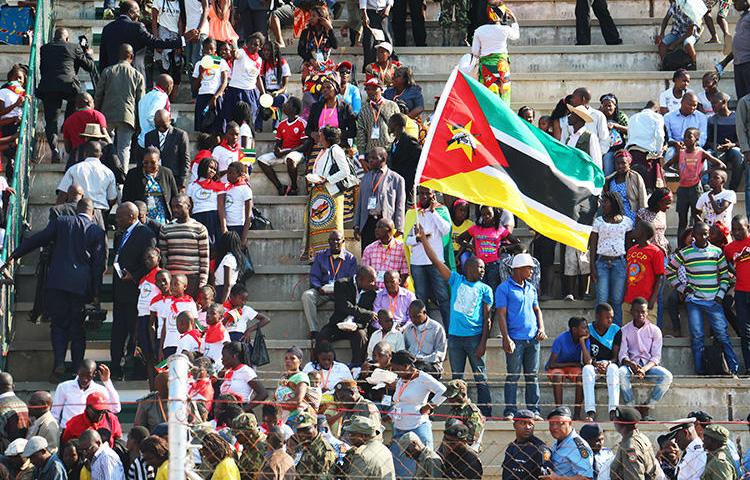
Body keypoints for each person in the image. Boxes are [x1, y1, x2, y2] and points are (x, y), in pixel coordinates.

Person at [1, 200, 107, 380]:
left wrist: (14, 255)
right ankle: (76, 370)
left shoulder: (62, 222)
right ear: (93, 213)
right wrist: (96, 294)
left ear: (77, 209)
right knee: (78, 329)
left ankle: (58, 363)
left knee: (58, 325)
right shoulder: (97, 231)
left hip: (57, 282)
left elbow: (37, 239)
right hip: (80, 285)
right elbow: (98, 266)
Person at [416, 222, 493, 416]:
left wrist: (483, 343)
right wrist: (424, 240)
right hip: (455, 338)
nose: (482, 270)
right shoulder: (456, 280)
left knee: (480, 376)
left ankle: (486, 411)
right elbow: (436, 261)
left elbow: (487, 318)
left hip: (475, 338)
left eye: (484, 268)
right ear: (468, 269)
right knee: (456, 378)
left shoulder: (485, 289)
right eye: (479, 267)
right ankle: (457, 411)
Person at [666, 222, 739, 375]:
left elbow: (725, 276)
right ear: (694, 235)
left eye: (707, 233)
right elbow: (669, 272)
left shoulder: (717, 252)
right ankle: (699, 370)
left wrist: (720, 295)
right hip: (694, 301)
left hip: (714, 301)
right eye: (701, 233)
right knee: (697, 336)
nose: (704, 236)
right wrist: (683, 288)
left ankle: (734, 368)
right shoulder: (685, 253)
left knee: (722, 335)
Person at [495, 252, 546, 420]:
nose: (531, 271)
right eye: (528, 268)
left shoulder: (531, 288)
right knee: (513, 375)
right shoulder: (504, 288)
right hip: (515, 339)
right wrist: (506, 338)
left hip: (532, 339)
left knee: (532, 376)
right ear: (518, 269)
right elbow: (501, 314)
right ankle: (510, 410)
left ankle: (534, 410)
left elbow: (536, 310)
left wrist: (542, 328)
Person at [111, 202, 157, 380]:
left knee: (136, 333)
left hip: (136, 294)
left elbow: (150, 261)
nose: (116, 219)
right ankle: (115, 368)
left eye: (120, 216)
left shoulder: (146, 234)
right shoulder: (121, 234)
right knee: (118, 333)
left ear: (131, 216)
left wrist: (135, 276)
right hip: (120, 293)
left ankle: (139, 371)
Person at [38, 28, 96, 164]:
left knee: (51, 120)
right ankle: (67, 124)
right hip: (68, 86)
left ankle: (54, 150)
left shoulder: (45, 48)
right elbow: (89, 67)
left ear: (54, 38)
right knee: (74, 102)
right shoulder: (74, 47)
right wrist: (88, 54)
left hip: (49, 86)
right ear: (67, 38)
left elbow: (43, 68)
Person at [389, 350, 447, 478]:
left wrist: (429, 406)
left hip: (417, 429)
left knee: (422, 469)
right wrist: (390, 415)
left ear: (406, 366)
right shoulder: (401, 379)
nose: (395, 373)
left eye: (397, 369)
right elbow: (400, 402)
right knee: (401, 472)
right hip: (399, 430)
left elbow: (443, 391)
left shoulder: (423, 378)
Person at [98, 0, 198, 72]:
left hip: (111, 76)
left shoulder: (107, 28)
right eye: (137, 12)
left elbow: (103, 58)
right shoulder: (137, 27)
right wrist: (182, 39)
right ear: (131, 13)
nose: (139, 15)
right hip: (134, 75)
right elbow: (156, 42)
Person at [618, 298, 673, 420]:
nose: (640, 315)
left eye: (643, 311)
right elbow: (622, 354)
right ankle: (631, 406)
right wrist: (631, 364)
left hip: (649, 366)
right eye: (637, 311)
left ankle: (647, 407)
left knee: (667, 376)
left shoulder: (655, 330)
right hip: (631, 365)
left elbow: (656, 357)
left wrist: (643, 369)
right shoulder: (624, 330)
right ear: (631, 312)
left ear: (647, 312)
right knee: (621, 373)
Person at [303, 126, 352, 260]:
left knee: (333, 227)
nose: (319, 137)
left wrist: (327, 180)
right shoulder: (323, 151)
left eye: (321, 135)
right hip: (318, 193)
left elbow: (345, 171)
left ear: (328, 138)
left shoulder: (336, 150)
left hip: (331, 193)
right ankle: (318, 257)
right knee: (317, 227)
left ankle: (335, 256)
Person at [406, 187, 453, 325]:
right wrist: (418, 239)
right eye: (422, 193)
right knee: (420, 298)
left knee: (443, 297)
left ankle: (449, 331)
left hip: (436, 262)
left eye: (428, 193)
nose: (425, 196)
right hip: (418, 263)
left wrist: (433, 212)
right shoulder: (412, 212)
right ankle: (423, 330)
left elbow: (445, 231)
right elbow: (407, 239)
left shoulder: (441, 210)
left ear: (433, 195)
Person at [664, 128, 724, 237]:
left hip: (695, 189)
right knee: (682, 221)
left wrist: (704, 172)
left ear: (696, 139)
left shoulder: (700, 152)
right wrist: (678, 172)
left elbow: (721, 165)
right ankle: (681, 246)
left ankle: (698, 243)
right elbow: (666, 166)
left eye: (689, 137)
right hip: (682, 189)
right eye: (685, 136)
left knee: (697, 218)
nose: (686, 139)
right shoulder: (680, 153)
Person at [317, 265, 377, 366]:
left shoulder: (372, 292)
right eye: (371, 281)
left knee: (361, 336)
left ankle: (356, 366)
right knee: (322, 335)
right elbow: (344, 306)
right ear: (360, 279)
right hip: (338, 324)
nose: (373, 284)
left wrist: (358, 325)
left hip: (357, 326)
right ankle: (321, 364)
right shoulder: (341, 284)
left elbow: (368, 316)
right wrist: (366, 313)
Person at [301, 230, 357, 338]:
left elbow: (352, 280)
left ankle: (343, 328)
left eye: (337, 240)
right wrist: (319, 288)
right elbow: (314, 276)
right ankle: (314, 330)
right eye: (332, 240)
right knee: (307, 296)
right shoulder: (320, 256)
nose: (335, 242)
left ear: (343, 241)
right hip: (324, 292)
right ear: (328, 242)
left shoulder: (350, 259)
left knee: (352, 296)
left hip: (341, 294)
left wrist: (340, 288)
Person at [590, 191, 634, 326]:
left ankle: (616, 331)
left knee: (617, 300)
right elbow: (593, 245)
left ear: (614, 203)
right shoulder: (598, 221)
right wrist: (592, 266)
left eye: (605, 202)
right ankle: (600, 330)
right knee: (602, 299)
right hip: (602, 262)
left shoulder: (627, 222)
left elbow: (629, 245)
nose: (603, 204)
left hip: (619, 263)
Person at [354, 148, 406, 250]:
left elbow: (400, 204)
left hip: (385, 223)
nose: (370, 161)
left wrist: (399, 227)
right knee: (368, 257)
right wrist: (356, 225)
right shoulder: (365, 178)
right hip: (368, 223)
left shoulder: (396, 179)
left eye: (374, 158)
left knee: (385, 256)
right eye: (369, 158)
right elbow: (359, 202)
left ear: (383, 159)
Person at [159, 194, 210, 296]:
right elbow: (163, 257)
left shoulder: (200, 229)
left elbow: (204, 258)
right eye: (173, 207)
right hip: (172, 279)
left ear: (188, 206)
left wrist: (202, 282)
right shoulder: (165, 229)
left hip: (192, 279)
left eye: (178, 206)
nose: (175, 210)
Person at [56, 141, 118, 226]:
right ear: (101, 154)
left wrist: (56, 215)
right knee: (98, 238)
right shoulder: (109, 173)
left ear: (85, 153)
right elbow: (112, 199)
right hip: (99, 214)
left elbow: (62, 194)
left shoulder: (74, 169)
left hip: (77, 212)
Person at [257, 96, 308, 196]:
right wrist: (277, 149)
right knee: (261, 160)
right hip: (283, 152)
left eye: (287, 103)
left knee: (290, 159)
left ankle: (294, 187)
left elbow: (304, 145)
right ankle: (280, 187)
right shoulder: (281, 124)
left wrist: (285, 152)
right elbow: (278, 143)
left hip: (297, 153)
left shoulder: (301, 123)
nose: (284, 105)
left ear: (294, 109)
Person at [470, 4, 518, 104]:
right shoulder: (505, 29)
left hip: (486, 67)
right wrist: (514, 20)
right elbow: (516, 36)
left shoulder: (479, 30)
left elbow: (475, 52)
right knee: (504, 92)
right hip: (502, 65)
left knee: (488, 94)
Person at [582, 304, 621, 422]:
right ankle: (590, 411)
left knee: (614, 369)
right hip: (594, 365)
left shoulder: (616, 330)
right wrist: (595, 364)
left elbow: (616, 357)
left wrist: (607, 363)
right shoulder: (587, 329)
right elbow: (586, 357)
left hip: (609, 365)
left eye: (611, 317)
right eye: (607, 317)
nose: (610, 320)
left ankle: (613, 411)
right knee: (586, 369)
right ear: (598, 316)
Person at [546, 318, 590, 418]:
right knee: (558, 376)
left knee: (581, 377)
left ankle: (577, 414)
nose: (586, 330)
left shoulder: (585, 339)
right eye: (583, 328)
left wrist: (582, 342)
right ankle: (559, 412)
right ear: (574, 330)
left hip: (572, 367)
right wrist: (572, 364)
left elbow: (588, 362)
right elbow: (551, 364)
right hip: (558, 366)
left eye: (587, 327)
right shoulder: (560, 339)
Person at [122, 147, 179, 224]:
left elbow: (174, 196)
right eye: (146, 162)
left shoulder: (167, 173)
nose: (149, 165)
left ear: (158, 161)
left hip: (163, 219)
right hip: (142, 219)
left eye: (153, 162)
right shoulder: (133, 174)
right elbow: (126, 198)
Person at [223, 33, 266, 131]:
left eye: (256, 45)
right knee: (233, 120)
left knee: (249, 121)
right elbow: (236, 54)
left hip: (250, 93)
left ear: (260, 47)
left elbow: (257, 77)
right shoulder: (242, 52)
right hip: (235, 90)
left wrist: (263, 93)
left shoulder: (259, 60)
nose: (252, 46)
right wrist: (234, 45)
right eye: (250, 43)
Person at [624, 221, 665, 322]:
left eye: (636, 228)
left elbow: (659, 277)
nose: (633, 230)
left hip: (646, 301)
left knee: (648, 333)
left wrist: (652, 299)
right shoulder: (631, 251)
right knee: (627, 332)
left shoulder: (656, 251)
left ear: (643, 233)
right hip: (629, 300)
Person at [725, 215, 750, 373]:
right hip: (741, 293)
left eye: (740, 229)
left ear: (748, 227)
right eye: (734, 230)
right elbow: (725, 265)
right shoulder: (729, 248)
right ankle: (749, 368)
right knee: (746, 333)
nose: (737, 232)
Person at [356, 78, 400, 167]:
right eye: (368, 89)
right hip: (370, 153)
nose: (370, 92)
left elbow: (399, 127)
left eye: (374, 89)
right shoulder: (364, 109)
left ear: (382, 90)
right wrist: (361, 156)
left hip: (388, 151)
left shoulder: (392, 106)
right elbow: (361, 133)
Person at [607, 406, 659, 480]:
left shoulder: (630, 446)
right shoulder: (642, 437)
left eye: (615, 419)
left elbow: (634, 475)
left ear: (621, 423)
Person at [706, 92, 744, 192]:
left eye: (715, 103)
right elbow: (708, 140)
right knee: (710, 156)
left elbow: (743, 138)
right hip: (717, 149)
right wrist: (716, 146)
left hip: (733, 148)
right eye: (711, 103)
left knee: (738, 154)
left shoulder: (737, 118)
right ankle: (712, 187)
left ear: (724, 102)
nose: (712, 106)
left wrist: (732, 144)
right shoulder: (712, 119)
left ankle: (732, 188)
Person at [143, 110, 190, 189]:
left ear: (170, 120)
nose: (161, 127)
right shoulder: (149, 136)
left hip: (174, 179)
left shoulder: (180, 135)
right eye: (158, 125)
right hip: (154, 180)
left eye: (164, 124)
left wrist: (182, 183)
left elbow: (185, 160)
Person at [626, 102, 667, 191]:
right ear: (657, 110)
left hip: (632, 154)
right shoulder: (657, 117)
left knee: (634, 186)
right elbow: (660, 135)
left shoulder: (633, 117)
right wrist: (659, 152)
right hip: (648, 157)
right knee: (649, 188)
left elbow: (629, 136)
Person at [545, 406, 594, 478]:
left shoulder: (576, 446)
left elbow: (586, 478)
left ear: (570, 423)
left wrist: (557, 478)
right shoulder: (559, 442)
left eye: (559, 423)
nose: (554, 427)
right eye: (551, 424)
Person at [502, 409, 552, 479]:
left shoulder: (540, 448)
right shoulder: (512, 447)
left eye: (530, 424)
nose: (527, 427)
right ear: (514, 425)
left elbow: (545, 476)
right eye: (523, 423)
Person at [403, 299, 448, 376]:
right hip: (412, 365)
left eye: (416, 317)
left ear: (424, 313)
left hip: (430, 364)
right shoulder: (408, 329)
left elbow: (440, 354)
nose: (413, 320)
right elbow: (405, 350)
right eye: (411, 317)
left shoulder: (436, 328)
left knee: (419, 370)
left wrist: (421, 359)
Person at [560, 87, 610, 155]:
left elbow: (604, 140)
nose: (571, 100)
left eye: (574, 97)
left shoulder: (598, 116)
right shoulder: (569, 119)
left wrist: (596, 155)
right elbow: (564, 140)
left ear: (583, 99)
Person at [361, 219, 409, 290]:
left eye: (379, 227)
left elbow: (404, 273)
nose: (376, 230)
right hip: (373, 290)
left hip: (394, 291)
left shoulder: (401, 248)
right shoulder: (369, 249)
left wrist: (396, 289)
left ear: (389, 230)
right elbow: (365, 272)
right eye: (376, 227)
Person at [289, 412, 337, 480]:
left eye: (307, 429)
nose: (302, 434)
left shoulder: (324, 450)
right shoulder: (301, 444)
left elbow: (323, 476)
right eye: (299, 430)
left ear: (315, 426)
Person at [62, 94, 110, 162]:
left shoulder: (68, 120)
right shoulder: (97, 115)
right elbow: (105, 135)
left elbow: (67, 148)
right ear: (88, 103)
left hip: (77, 157)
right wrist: (112, 149)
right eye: (93, 101)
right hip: (96, 157)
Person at [604, 151, 647, 224]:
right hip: (615, 217)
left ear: (629, 163)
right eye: (617, 163)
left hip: (632, 216)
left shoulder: (635, 177)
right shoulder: (610, 180)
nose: (620, 166)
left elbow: (642, 198)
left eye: (623, 163)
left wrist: (640, 218)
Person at [220, 341, 268, 406]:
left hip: (239, 410)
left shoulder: (246, 371)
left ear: (234, 356)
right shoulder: (228, 371)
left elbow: (263, 393)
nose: (222, 359)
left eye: (224, 356)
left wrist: (244, 409)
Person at [387, 113, 421, 205]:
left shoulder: (410, 142)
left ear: (396, 125)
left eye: (390, 123)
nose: (388, 125)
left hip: (407, 185)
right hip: (395, 185)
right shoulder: (395, 142)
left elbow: (420, 159)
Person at [656, 0, 699, 68]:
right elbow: (665, 19)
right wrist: (662, 33)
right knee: (662, 44)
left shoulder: (691, 10)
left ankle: (694, 63)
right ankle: (664, 64)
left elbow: (689, 33)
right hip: (676, 33)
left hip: (689, 34)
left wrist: (675, 43)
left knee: (687, 43)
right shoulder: (673, 6)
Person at [444, 380, 485, 451]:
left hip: (465, 452)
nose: (450, 400)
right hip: (449, 451)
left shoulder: (471, 411)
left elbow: (472, 438)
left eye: (453, 397)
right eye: (449, 397)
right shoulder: (454, 410)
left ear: (463, 394)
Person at [136, 74, 174, 150]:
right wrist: (165, 128)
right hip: (155, 141)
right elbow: (151, 116)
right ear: (168, 86)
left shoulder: (145, 97)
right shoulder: (161, 96)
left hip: (142, 140)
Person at [599, 94, 629, 176]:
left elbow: (630, 131)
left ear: (615, 106)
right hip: (601, 149)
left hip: (618, 149)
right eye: (605, 106)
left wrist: (616, 126)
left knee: (608, 160)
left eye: (610, 105)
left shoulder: (620, 116)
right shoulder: (599, 116)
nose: (607, 108)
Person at [0, 374, 28, 450]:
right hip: (23, 450)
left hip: (5, 452)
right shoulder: (23, 404)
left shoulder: (1, 406)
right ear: (13, 386)